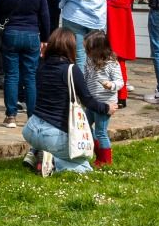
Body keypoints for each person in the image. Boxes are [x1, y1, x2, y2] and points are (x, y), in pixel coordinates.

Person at [23, 28, 114, 176]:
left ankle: (37, 152)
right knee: (84, 165)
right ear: (71, 47)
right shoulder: (71, 70)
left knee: (53, 146)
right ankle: (52, 161)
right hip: (52, 134)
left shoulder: (41, 65)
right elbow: (88, 101)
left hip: (31, 129)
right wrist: (106, 108)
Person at [101, 0, 138, 107]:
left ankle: (103, 93)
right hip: (123, 17)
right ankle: (122, 95)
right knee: (120, 58)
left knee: (101, 55)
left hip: (107, 15)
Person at [83, 31, 119, 168]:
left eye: (88, 48)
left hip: (105, 103)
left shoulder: (111, 63)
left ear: (98, 49)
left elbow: (119, 81)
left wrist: (112, 85)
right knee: (85, 125)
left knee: (101, 131)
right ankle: (98, 152)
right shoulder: (89, 61)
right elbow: (86, 77)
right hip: (92, 102)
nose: (86, 51)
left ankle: (105, 160)